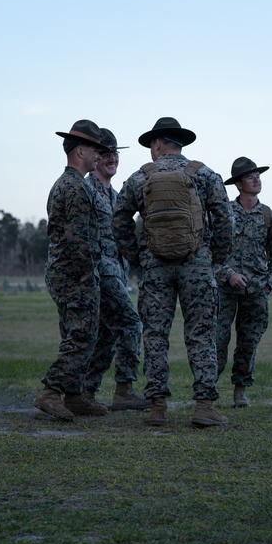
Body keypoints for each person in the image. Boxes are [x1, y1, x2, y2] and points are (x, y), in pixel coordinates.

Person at [113, 117, 234, 427]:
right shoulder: (203, 174)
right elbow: (225, 219)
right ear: (179, 144)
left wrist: (138, 257)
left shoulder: (141, 177)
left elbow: (119, 219)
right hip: (196, 264)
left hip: (154, 267)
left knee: (155, 334)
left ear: (156, 144)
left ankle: (157, 406)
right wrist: (213, 258)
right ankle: (204, 405)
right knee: (201, 333)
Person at [34, 119, 112, 421]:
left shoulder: (65, 183)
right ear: (80, 151)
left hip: (64, 271)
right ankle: (51, 392)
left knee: (75, 333)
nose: (99, 156)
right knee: (82, 335)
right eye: (95, 150)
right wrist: (86, 275)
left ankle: (75, 395)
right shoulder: (76, 187)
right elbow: (78, 238)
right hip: (74, 273)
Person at [83, 128, 150, 411]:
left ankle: (85, 392)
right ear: (95, 157)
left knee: (107, 334)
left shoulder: (115, 195)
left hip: (116, 272)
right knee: (131, 323)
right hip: (98, 272)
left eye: (115, 154)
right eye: (106, 154)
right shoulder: (85, 190)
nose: (112, 159)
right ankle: (124, 390)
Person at [215, 157, 272, 408]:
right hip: (224, 290)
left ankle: (240, 390)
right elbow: (209, 251)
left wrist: (268, 285)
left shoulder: (270, 217)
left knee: (249, 343)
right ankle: (208, 392)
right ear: (238, 184)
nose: (256, 179)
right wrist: (227, 274)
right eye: (250, 176)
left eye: (258, 175)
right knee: (217, 341)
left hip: (256, 291)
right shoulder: (223, 213)